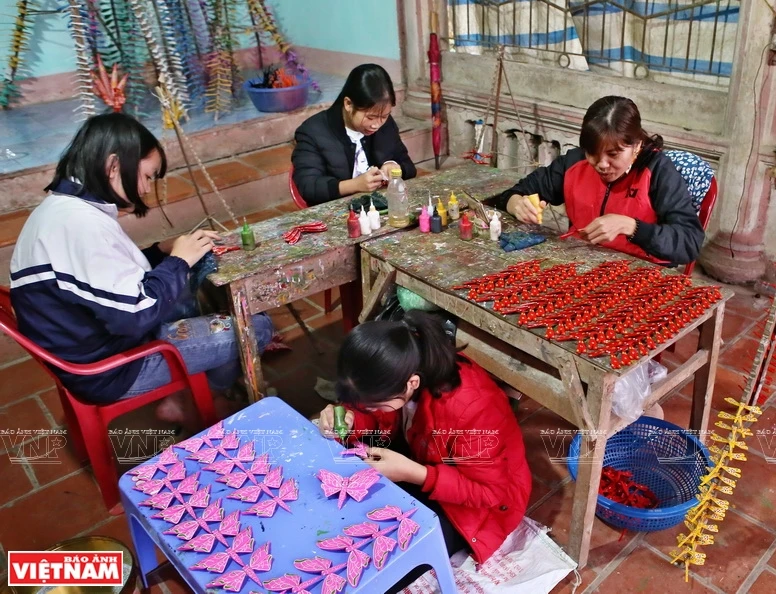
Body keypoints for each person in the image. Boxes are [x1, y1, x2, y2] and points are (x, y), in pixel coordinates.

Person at [9, 113, 273, 427]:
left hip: (90, 340)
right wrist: (178, 261)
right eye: (147, 176)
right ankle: (196, 401)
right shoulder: (80, 226)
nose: (147, 189)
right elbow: (135, 317)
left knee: (186, 279)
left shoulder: (64, 209)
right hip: (112, 367)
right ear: (113, 167)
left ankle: (193, 384)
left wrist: (160, 251)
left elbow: (101, 277)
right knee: (256, 327)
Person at [318, 311, 531, 574]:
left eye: (374, 404)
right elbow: (370, 412)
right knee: (345, 489)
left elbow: (488, 493)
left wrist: (413, 473)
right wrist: (349, 419)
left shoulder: (472, 407)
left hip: (478, 504)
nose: (368, 408)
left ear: (411, 384)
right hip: (422, 451)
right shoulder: (398, 371)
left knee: (389, 560)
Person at [497, 95, 704, 266]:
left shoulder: (658, 171)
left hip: (640, 274)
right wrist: (515, 204)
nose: (601, 164)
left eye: (613, 155)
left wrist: (632, 227)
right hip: (579, 265)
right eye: (592, 153)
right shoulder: (574, 163)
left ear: (637, 146)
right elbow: (514, 193)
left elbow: (689, 243)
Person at [292, 63, 416, 205]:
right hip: (337, 213)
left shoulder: (385, 124)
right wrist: (355, 185)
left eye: (385, 116)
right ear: (349, 104)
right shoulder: (313, 131)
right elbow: (308, 186)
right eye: (370, 117)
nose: (377, 125)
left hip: (380, 209)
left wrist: (393, 166)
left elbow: (409, 167)